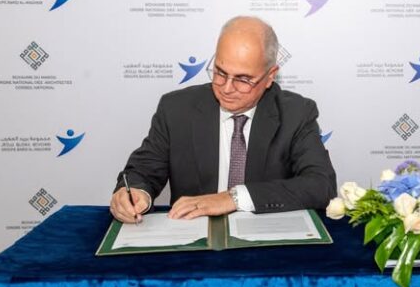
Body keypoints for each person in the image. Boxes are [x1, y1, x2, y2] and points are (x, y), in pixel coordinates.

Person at [109, 16, 337, 223]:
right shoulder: (176, 108)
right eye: (220, 72)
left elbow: (321, 185)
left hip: (265, 240)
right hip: (194, 239)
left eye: (243, 79)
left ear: (270, 76)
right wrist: (135, 193)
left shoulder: (297, 113)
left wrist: (233, 198)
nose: (226, 88)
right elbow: (143, 170)